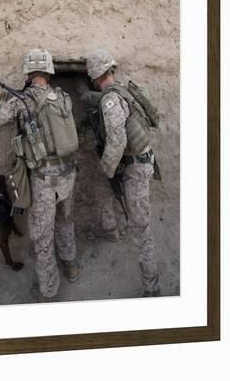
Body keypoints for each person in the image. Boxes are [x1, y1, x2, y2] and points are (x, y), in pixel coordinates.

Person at [0, 49, 79, 302]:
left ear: (28, 73)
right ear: (49, 72)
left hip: (43, 178)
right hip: (67, 173)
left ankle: (49, 290)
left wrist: (2, 100)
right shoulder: (62, 97)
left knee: (42, 234)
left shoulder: (20, 100)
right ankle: (71, 265)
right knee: (65, 220)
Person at [82, 49, 161, 297]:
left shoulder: (110, 101)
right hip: (141, 159)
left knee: (141, 227)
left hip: (135, 168)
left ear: (95, 77)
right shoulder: (123, 90)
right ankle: (111, 231)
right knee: (108, 192)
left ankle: (152, 286)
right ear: (111, 70)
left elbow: (117, 141)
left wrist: (106, 167)